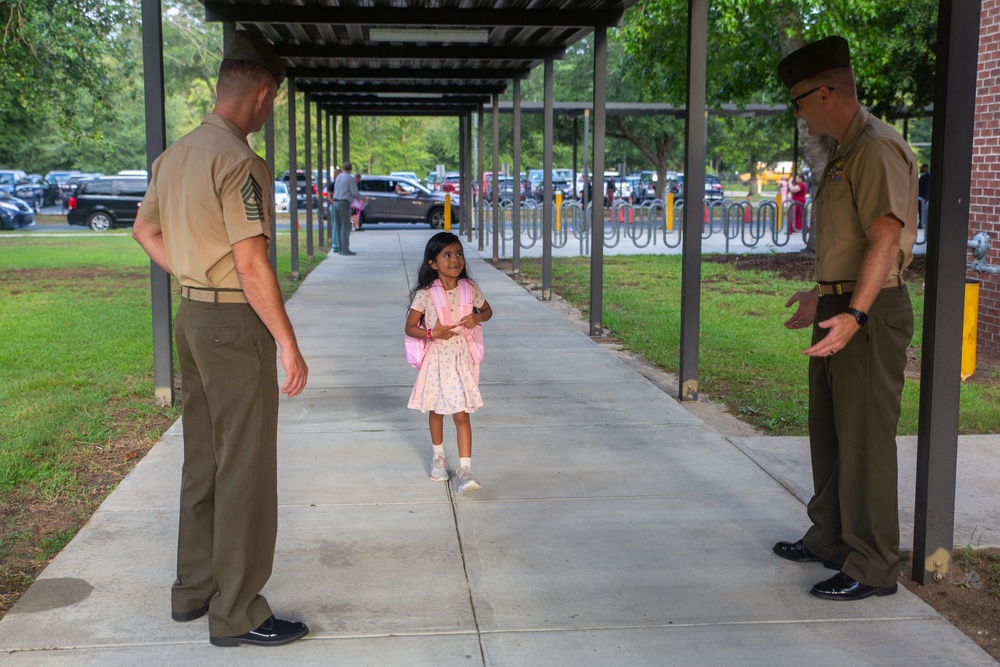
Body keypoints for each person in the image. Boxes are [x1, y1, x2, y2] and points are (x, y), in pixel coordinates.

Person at [131, 31, 310, 646]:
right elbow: (252, 262)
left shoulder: (175, 155)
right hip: (235, 324)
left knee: (203, 458)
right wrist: (286, 341)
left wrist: (187, 269)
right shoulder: (240, 161)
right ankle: (237, 612)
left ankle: (193, 590)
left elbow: (142, 230)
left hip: (192, 317)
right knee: (245, 467)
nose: (270, 110)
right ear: (262, 94)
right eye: (273, 100)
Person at [774, 36, 918, 601]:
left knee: (865, 441)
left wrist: (854, 311)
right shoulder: (844, 150)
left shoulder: (877, 148)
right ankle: (832, 538)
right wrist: (824, 296)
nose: (797, 111)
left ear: (827, 91)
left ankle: (874, 564)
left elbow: (885, 236)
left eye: (799, 100)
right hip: (841, 303)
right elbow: (849, 240)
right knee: (830, 433)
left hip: (870, 311)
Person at [405, 232, 493, 493]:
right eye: (447, 255)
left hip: (461, 359)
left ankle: (465, 469)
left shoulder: (470, 288)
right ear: (432, 263)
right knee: (437, 409)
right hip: (438, 359)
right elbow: (410, 327)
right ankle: (439, 457)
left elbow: (488, 311)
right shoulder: (425, 295)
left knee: (462, 412)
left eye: (458, 254)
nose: (455, 260)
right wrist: (433, 333)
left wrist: (477, 318)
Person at [332, 161, 360, 255]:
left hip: (335, 203)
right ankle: (345, 249)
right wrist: (361, 198)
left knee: (339, 226)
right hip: (344, 203)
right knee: (345, 227)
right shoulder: (349, 178)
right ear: (350, 169)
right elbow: (354, 192)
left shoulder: (338, 177)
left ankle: (340, 248)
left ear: (343, 168)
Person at [918, 164, 931, 228]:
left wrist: (926, 197)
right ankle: (921, 223)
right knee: (920, 210)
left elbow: (927, 187)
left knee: (922, 210)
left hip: (923, 197)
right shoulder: (923, 176)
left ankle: (922, 223)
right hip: (921, 196)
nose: (921, 169)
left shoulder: (927, 176)